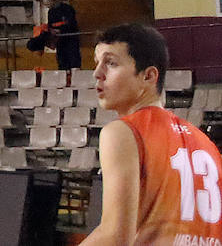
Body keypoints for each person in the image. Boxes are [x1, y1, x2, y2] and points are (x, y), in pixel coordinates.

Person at [83, 23, 222, 246]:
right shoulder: (206, 143)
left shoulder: (123, 132)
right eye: (97, 63)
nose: (97, 73)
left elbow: (115, 237)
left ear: (148, 76)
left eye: (111, 63)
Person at [44, 0, 81, 70]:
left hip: (71, 38)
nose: (48, 7)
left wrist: (60, 30)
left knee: (73, 59)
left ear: (53, 1)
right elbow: (50, 25)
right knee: (62, 61)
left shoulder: (67, 9)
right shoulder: (51, 12)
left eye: (48, 4)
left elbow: (71, 23)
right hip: (60, 40)